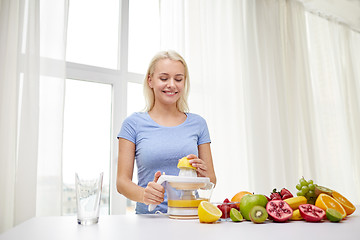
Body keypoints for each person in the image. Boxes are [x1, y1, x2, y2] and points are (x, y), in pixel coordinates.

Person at [116, 50, 216, 214]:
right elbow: (121, 183)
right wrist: (145, 195)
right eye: (164, 78)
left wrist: (203, 176)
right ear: (150, 80)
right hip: (148, 220)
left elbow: (211, 180)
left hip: (189, 217)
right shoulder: (132, 124)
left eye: (178, 79)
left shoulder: (198, 124)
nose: (172, 84)